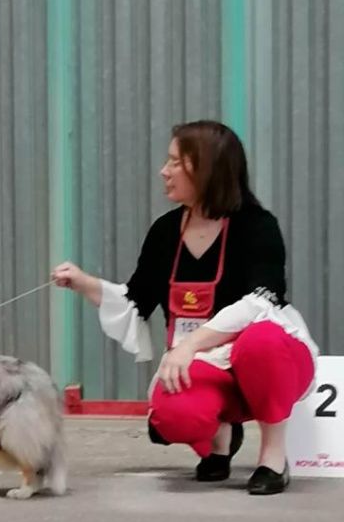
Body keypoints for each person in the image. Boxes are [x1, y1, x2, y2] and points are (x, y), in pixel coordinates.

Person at [52, 120, 318, 496]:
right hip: (207, 366)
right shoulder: (164, 232)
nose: (164, 171)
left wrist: (190, 346)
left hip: (269, 359)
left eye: (175, 162)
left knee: (261, 341)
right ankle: (220, 440)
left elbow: (263, 301)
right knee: (171, 418)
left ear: (206, 169)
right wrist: (83, 283)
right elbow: (135, 301)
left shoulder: (257, 226)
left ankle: (273, 458)